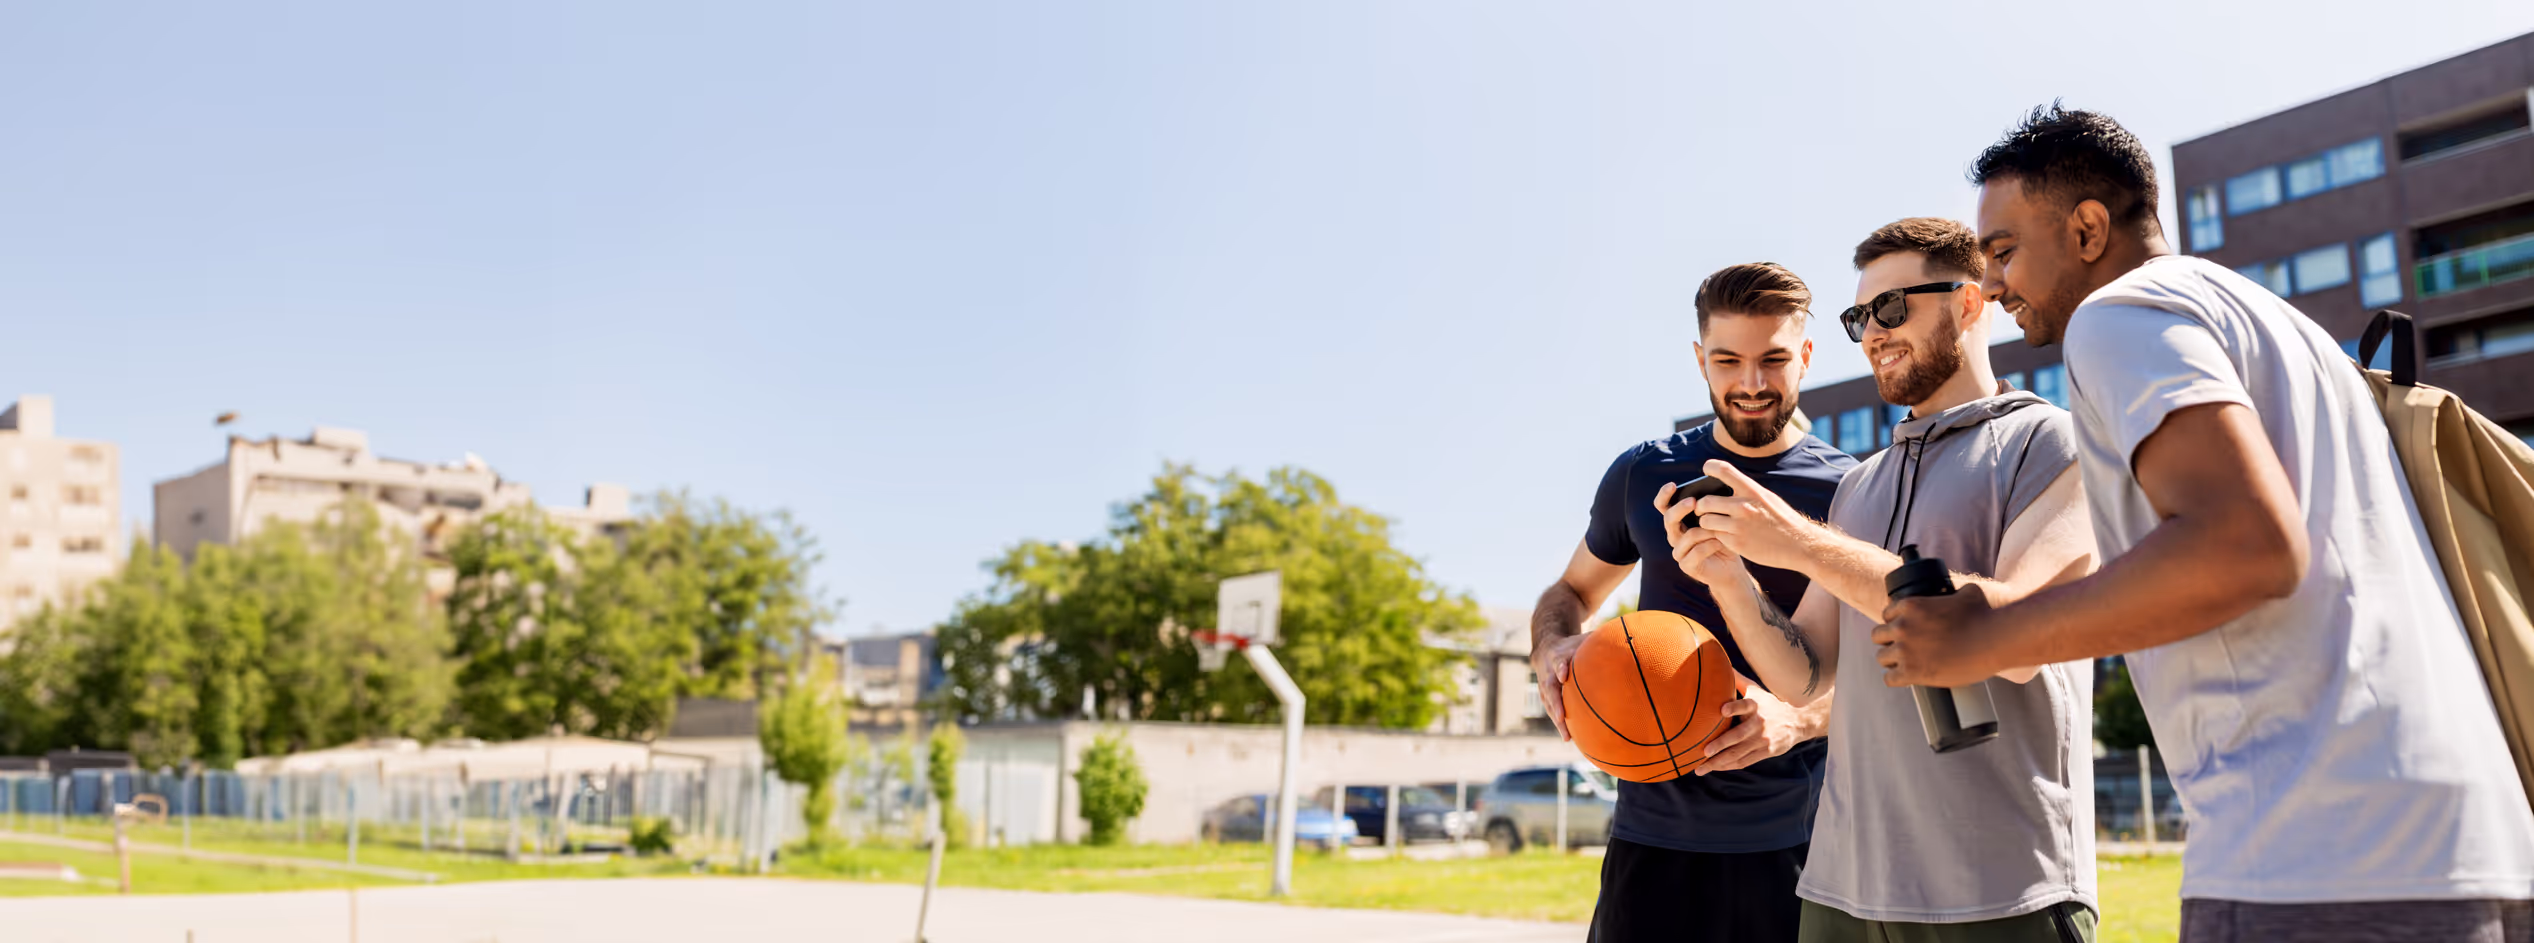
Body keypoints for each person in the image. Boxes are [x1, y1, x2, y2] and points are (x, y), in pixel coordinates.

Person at [1873, 104, 2534, 943]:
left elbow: (2246, 544)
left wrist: (1986, 635)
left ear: (2086, 230)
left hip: (2316, 856)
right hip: (2479, 838)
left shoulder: (2118, 315)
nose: (1995, 284)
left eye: (2004, 251)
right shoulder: (2287, 329)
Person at [1662, 217, 2101, 942]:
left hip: (2000, 890)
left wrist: (1800, 543)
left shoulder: (2053, 442)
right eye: (1859, 316)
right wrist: (1728, 576)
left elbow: (2016, 638)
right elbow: (1804, 674)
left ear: (1969, 303)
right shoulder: (1859, 486)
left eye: (1891, 308)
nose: (1872, 333)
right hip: (1841, 894)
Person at [1532, 261, 1857, 943]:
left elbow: (1887, 665)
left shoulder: (1851, 491)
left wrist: (1799, 719)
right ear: (1699, 358)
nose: (1751, 382)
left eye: (1774, 359)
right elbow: (1571, 591)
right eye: (1728, 360)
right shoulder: (1643, 472)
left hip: (1799, 839)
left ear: (1805, 355)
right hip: (1650, 836)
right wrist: (1552, 645)